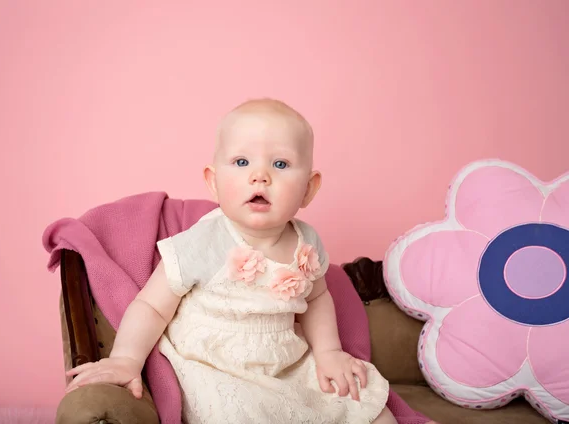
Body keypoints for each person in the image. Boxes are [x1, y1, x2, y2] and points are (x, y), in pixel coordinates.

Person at [65, 98, 396, 423]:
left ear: (309, 189)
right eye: (241, 162)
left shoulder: (307, 241)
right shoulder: (203, 241)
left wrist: (328, 354)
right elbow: (151, 306)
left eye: (280, 164)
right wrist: (126, 359)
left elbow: (318, 297)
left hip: (285, 361)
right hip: (217, 366)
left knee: (364, 403)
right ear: (213, 182)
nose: (260, 176)